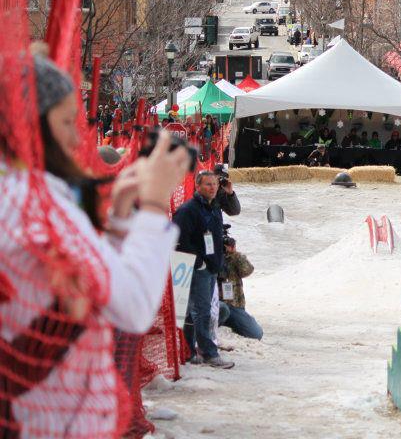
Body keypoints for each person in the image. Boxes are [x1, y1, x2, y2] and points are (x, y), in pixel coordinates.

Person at [0, 54, 190, 435]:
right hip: (54, 418)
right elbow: (131, 306)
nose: (75, 138)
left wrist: (120, 217)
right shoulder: (38, 203)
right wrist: (153, 205)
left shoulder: (17, 195)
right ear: (29, 124)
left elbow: (99, 279)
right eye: (67, 122)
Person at [173, 170, 235, 369]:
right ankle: (209, 353)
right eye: (208, 184)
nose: (213, 188)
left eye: (215, 184)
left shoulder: (214, 207)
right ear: (197, 186)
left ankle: (189, 351)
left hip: (211, 268)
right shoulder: (188, 210)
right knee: (201, 311)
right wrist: (199, 262)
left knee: (196, 311)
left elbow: (233, 211)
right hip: (198, 268)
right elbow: (179, 238)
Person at [217, 235, 263, 340]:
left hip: (234, 306)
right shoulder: (210, 257)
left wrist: (234, 253)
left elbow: (247, 270)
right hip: (217, 305)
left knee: (256, 334)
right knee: (222, 309)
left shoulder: (234, 258)